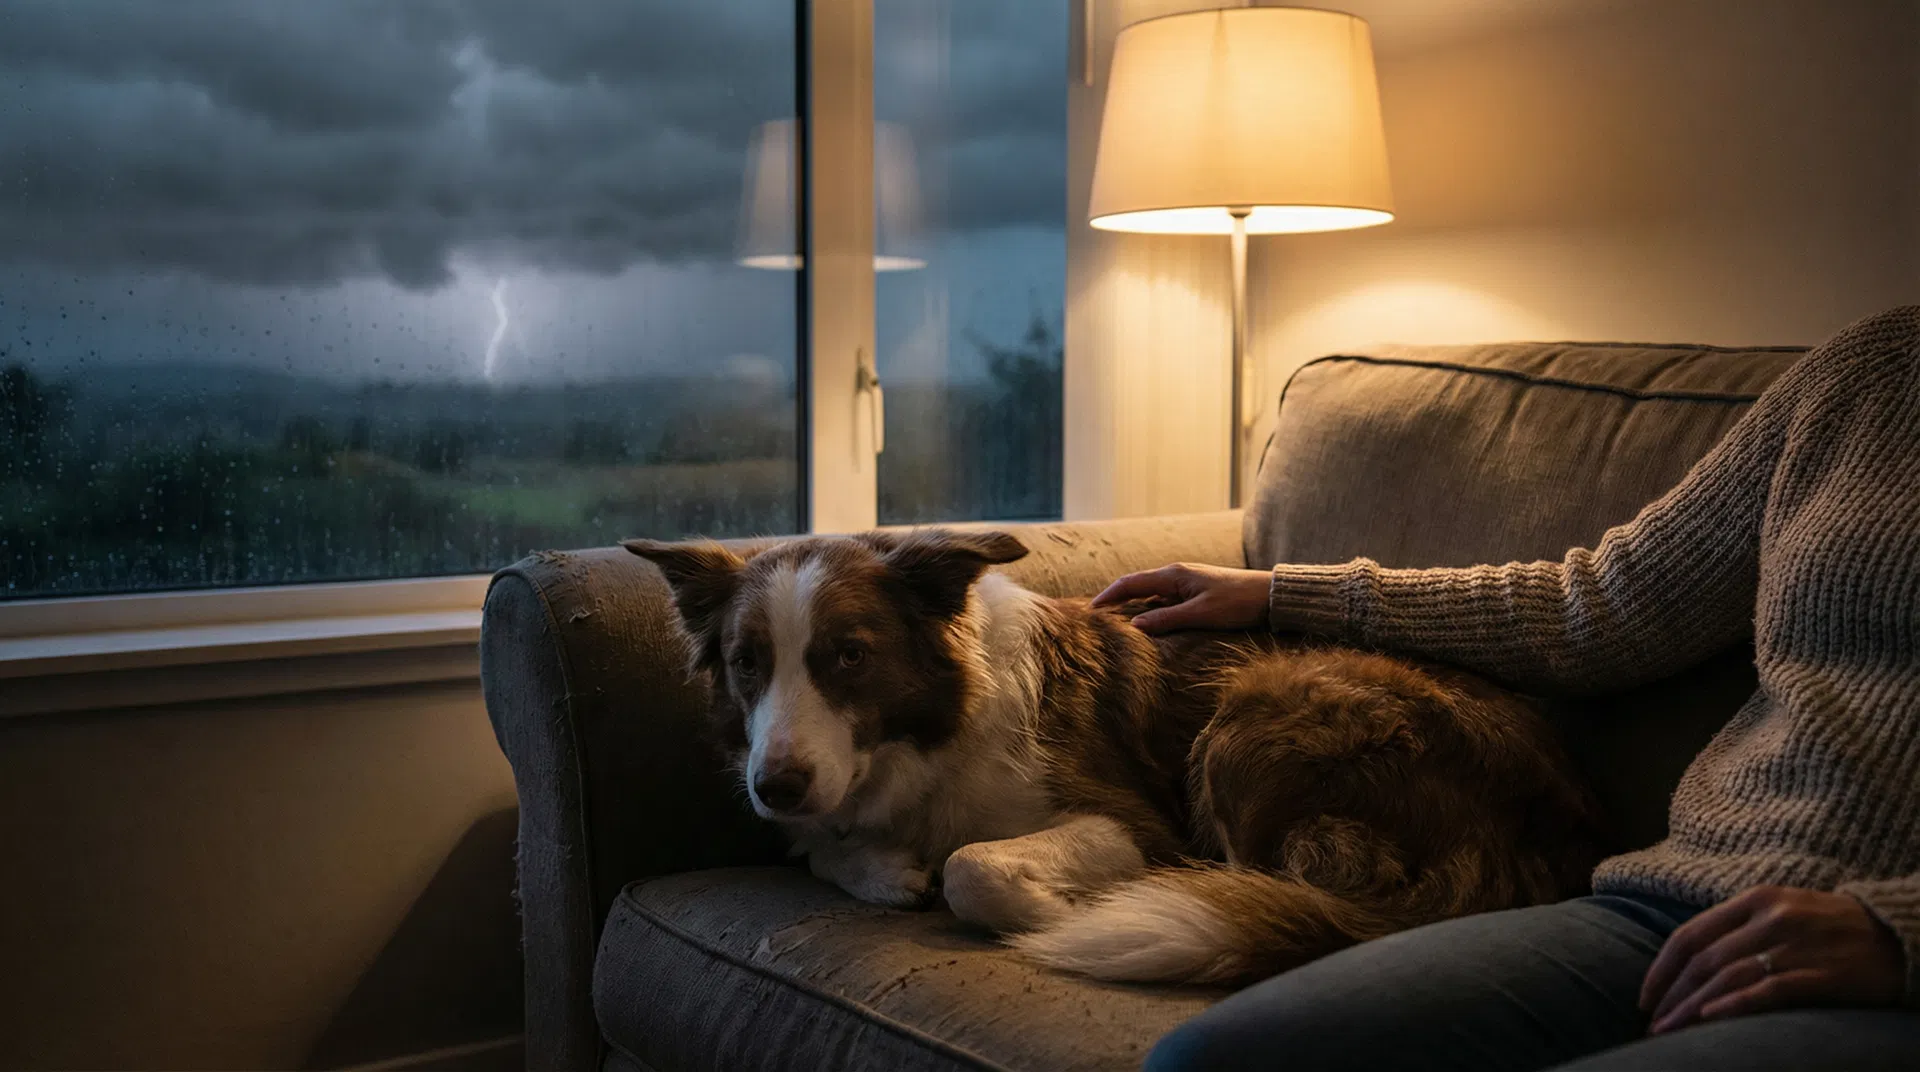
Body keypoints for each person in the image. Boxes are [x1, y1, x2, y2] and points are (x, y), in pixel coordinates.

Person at [1094, 307, 1920, 1071]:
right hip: (1676, 905)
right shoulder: (1873, 372)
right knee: (1209, 1060)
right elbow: (1599, 607)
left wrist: (1897, 932)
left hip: (1890, 973)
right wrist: (1281, 593)